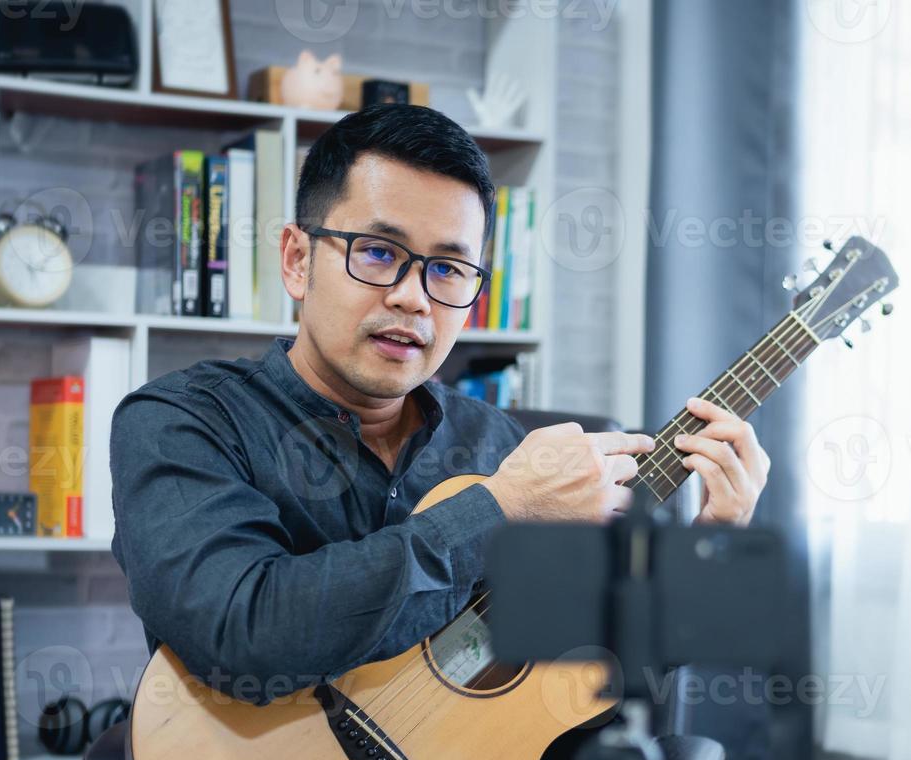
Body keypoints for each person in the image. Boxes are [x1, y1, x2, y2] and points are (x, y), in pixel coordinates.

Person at [110, 103, 768, 707]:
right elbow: (242, 635)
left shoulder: (495, 443)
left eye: (448, 268)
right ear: (296, 260)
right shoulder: (182, 423)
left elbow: (584, 677)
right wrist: (499, 508)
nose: (414, 298)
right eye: (376, 252)